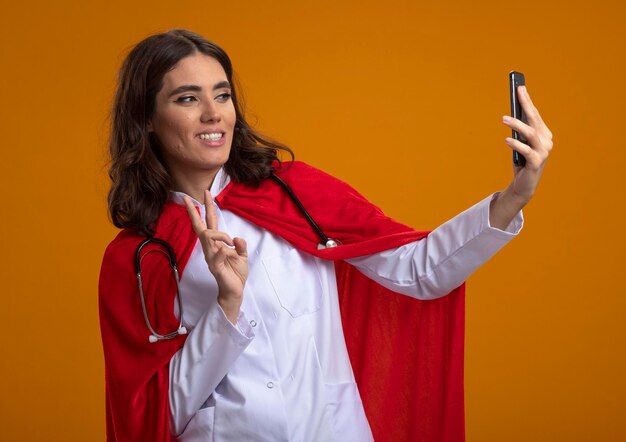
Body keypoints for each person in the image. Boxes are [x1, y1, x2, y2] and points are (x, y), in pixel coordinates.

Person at [99, 29, 552, 442]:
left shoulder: (294, 193)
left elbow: (420, 271)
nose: (214, 114)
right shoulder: (138, 257)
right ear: (147, 120)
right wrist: (227, 307)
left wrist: (517, 193)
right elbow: (153, 420)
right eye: (187, 99)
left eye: (222, 94)